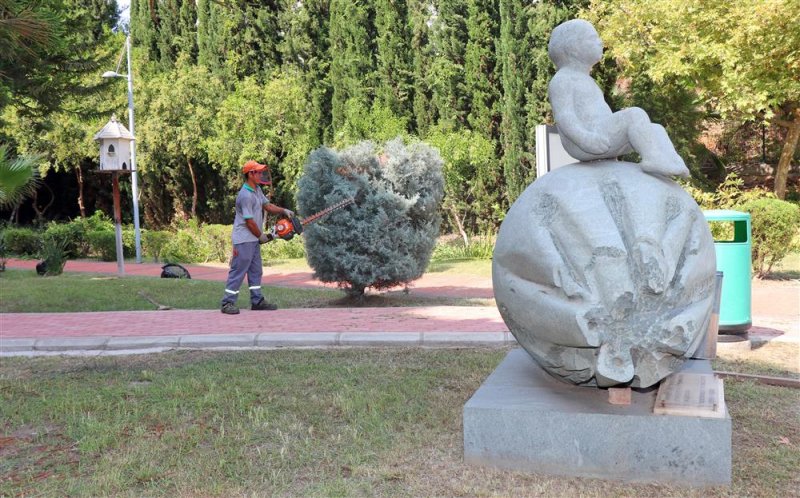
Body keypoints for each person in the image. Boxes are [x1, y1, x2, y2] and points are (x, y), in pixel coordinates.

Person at [547, 19, 689, 178]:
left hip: (600, 136)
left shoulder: (586, 79)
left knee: (656, 130)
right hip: (584, 141)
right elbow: (564, 116)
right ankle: (652, 158)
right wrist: (585, 139)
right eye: (593, 38)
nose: (600, 42)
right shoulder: (563, 80)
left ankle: (671, 161)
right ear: (574, 49)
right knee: (634, 114)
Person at [220, 160, 294, 315]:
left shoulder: (257, 190)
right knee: (238, 271)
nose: (261, 174)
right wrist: (261, 236)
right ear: (250, 174)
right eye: (258, 172)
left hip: (252, 239)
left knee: (256, 271)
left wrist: (284, 211)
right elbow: (249, 221)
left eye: (261, 172)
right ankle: (227, 303)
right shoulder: (245, 195)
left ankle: (257, 301)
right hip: (243, 240)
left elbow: (267, 206)